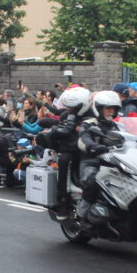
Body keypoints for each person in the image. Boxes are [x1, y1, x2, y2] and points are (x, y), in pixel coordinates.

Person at [35, 86, 90, 219]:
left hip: (89, 149)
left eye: (71, 106)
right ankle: (63, 203)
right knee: (65, 161)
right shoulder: (67, 115)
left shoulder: (94, 114)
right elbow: (58, 122)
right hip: (71, 150)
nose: (69, 109)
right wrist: (55, 128)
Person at [76, 90, 125, 223]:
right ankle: (81, 214)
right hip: (92, 162)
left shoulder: (119, 126)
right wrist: (93, 146)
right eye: (108, 108)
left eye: (113, 109)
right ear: (98, 109)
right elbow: (83, 139)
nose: (111, 111)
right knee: (93, 181)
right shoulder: (90, 123)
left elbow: (134, 140)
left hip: (114, 162)